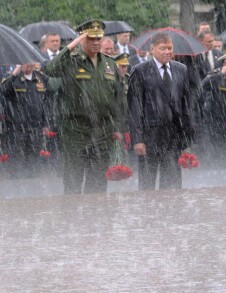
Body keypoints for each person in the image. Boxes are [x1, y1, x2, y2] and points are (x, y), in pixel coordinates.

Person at [45, 20, 126, 194]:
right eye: (91, 39)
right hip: (76, 129)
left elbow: (119, 98)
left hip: (103, 129)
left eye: (99, 39)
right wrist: (71, 46)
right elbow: (51, 69)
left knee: (97, 183)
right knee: (73, 181)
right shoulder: (70, 61)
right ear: (81, 39)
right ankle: (72, 219)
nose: (96, 43)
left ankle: (95, 219)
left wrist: (119, 127)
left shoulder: (109, 64)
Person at [128, 32, 195, 190]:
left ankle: (171, 213)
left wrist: (188, 135)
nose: (167, 52)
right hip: (149, 136)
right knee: (147, 184)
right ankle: (148, 213)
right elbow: (135, 106)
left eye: (170, 48)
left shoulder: (181, 69)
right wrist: (137, 139)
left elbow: (186, 103)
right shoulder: (140, 71)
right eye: (162, 48)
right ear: (152, 49)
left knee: (172, 183)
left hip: (173, 137)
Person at [0, 63, 52, 176]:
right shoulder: (13, 78)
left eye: (30, 62)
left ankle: (33, 184)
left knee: (34, 157)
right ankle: (17, 184)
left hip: (36, 125)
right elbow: (3, 90)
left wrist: (46, 123)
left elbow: (45, 102)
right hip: (16, 126)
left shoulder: (40, 78)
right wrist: (15, 72)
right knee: (16, 157)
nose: (28, 65)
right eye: (24, 63)